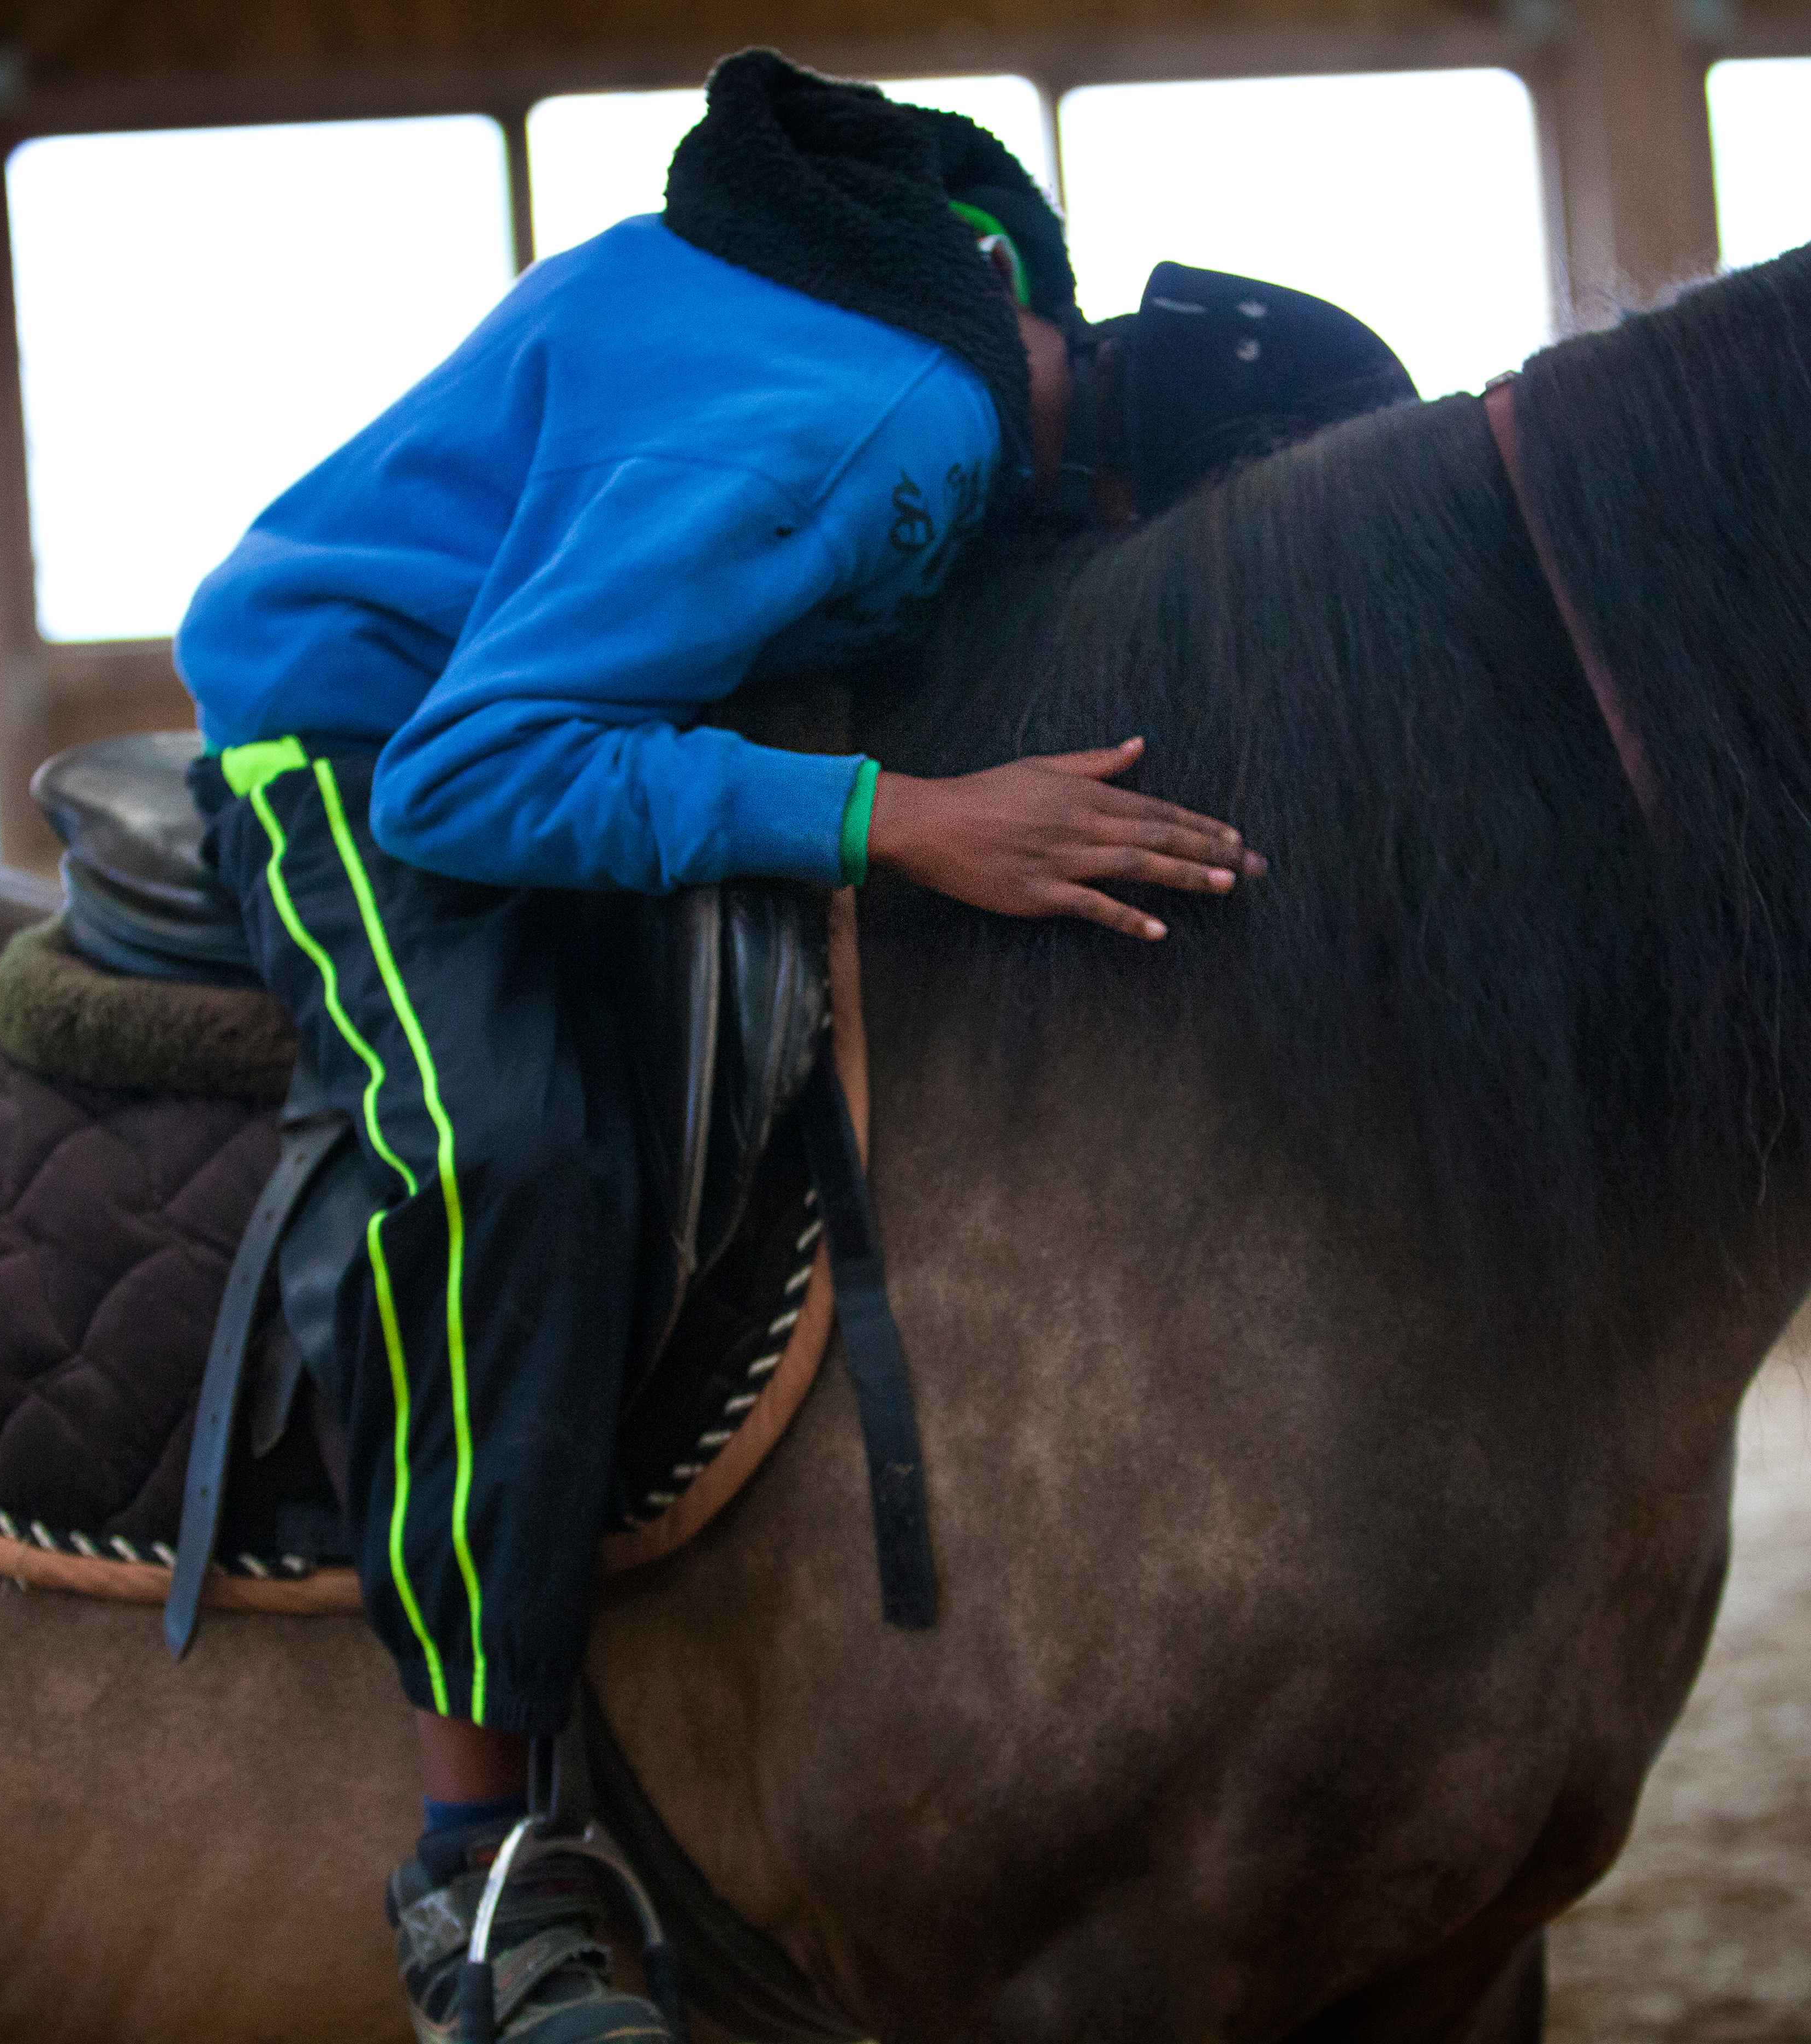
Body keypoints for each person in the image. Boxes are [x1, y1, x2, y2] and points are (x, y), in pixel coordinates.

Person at [174, 50, 1410, 2043]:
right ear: (1138, 502)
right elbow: (474, 771)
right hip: (356, 731)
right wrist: (909, 821)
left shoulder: (970, 323)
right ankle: (481, 1876)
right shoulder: (895, 432)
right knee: (511, 1160)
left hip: (531, 690)